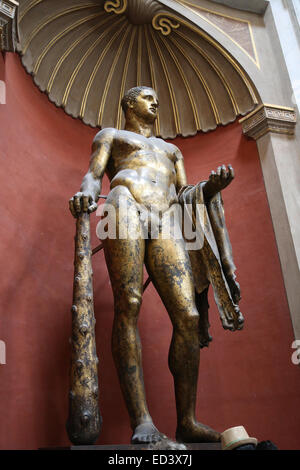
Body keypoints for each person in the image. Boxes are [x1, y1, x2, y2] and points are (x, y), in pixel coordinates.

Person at [69, 86, 240, 444]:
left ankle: (186, 421)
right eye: (147, 97)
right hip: (124, 204)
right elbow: (92, 174)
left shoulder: (172, 150)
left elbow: (183, 195)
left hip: (165, 219)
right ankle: (142, 420)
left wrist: (209, 188)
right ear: (129, 102)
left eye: (157, 98)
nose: (156, 102)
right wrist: (86, 192)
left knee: (189, 318)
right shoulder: (111, 135)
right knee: (129, 304)